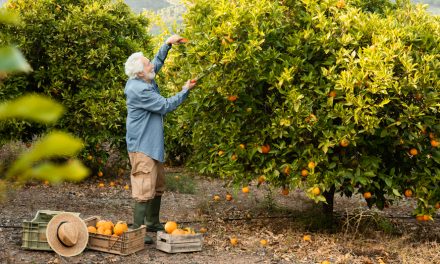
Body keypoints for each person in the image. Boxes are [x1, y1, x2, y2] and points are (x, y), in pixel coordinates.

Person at [123, 35, 196, 244]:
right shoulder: (140, 89)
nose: (151, 66)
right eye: (147, 64)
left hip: (152, 143)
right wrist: (185, 91)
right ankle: (138, 229)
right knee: (143, 186)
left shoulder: (143, 77)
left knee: (156, 185)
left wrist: (167, 44)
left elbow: (155, 64)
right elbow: (165, 106)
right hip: (142, 146)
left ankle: (153, 222)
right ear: (140, 71)